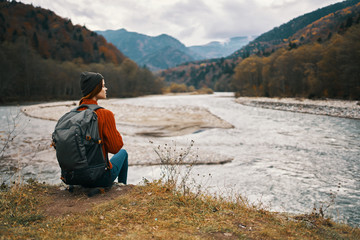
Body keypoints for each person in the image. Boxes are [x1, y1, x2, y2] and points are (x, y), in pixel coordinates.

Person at [79, 71, 128, 186]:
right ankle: (122, 187)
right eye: (103, 86)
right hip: (98, 178)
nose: (106, 89)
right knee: (123, 153)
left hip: (74, 177)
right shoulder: (105, 114)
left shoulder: (73, 114)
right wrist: (113, 128)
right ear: (95, 89)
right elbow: (115, 148)